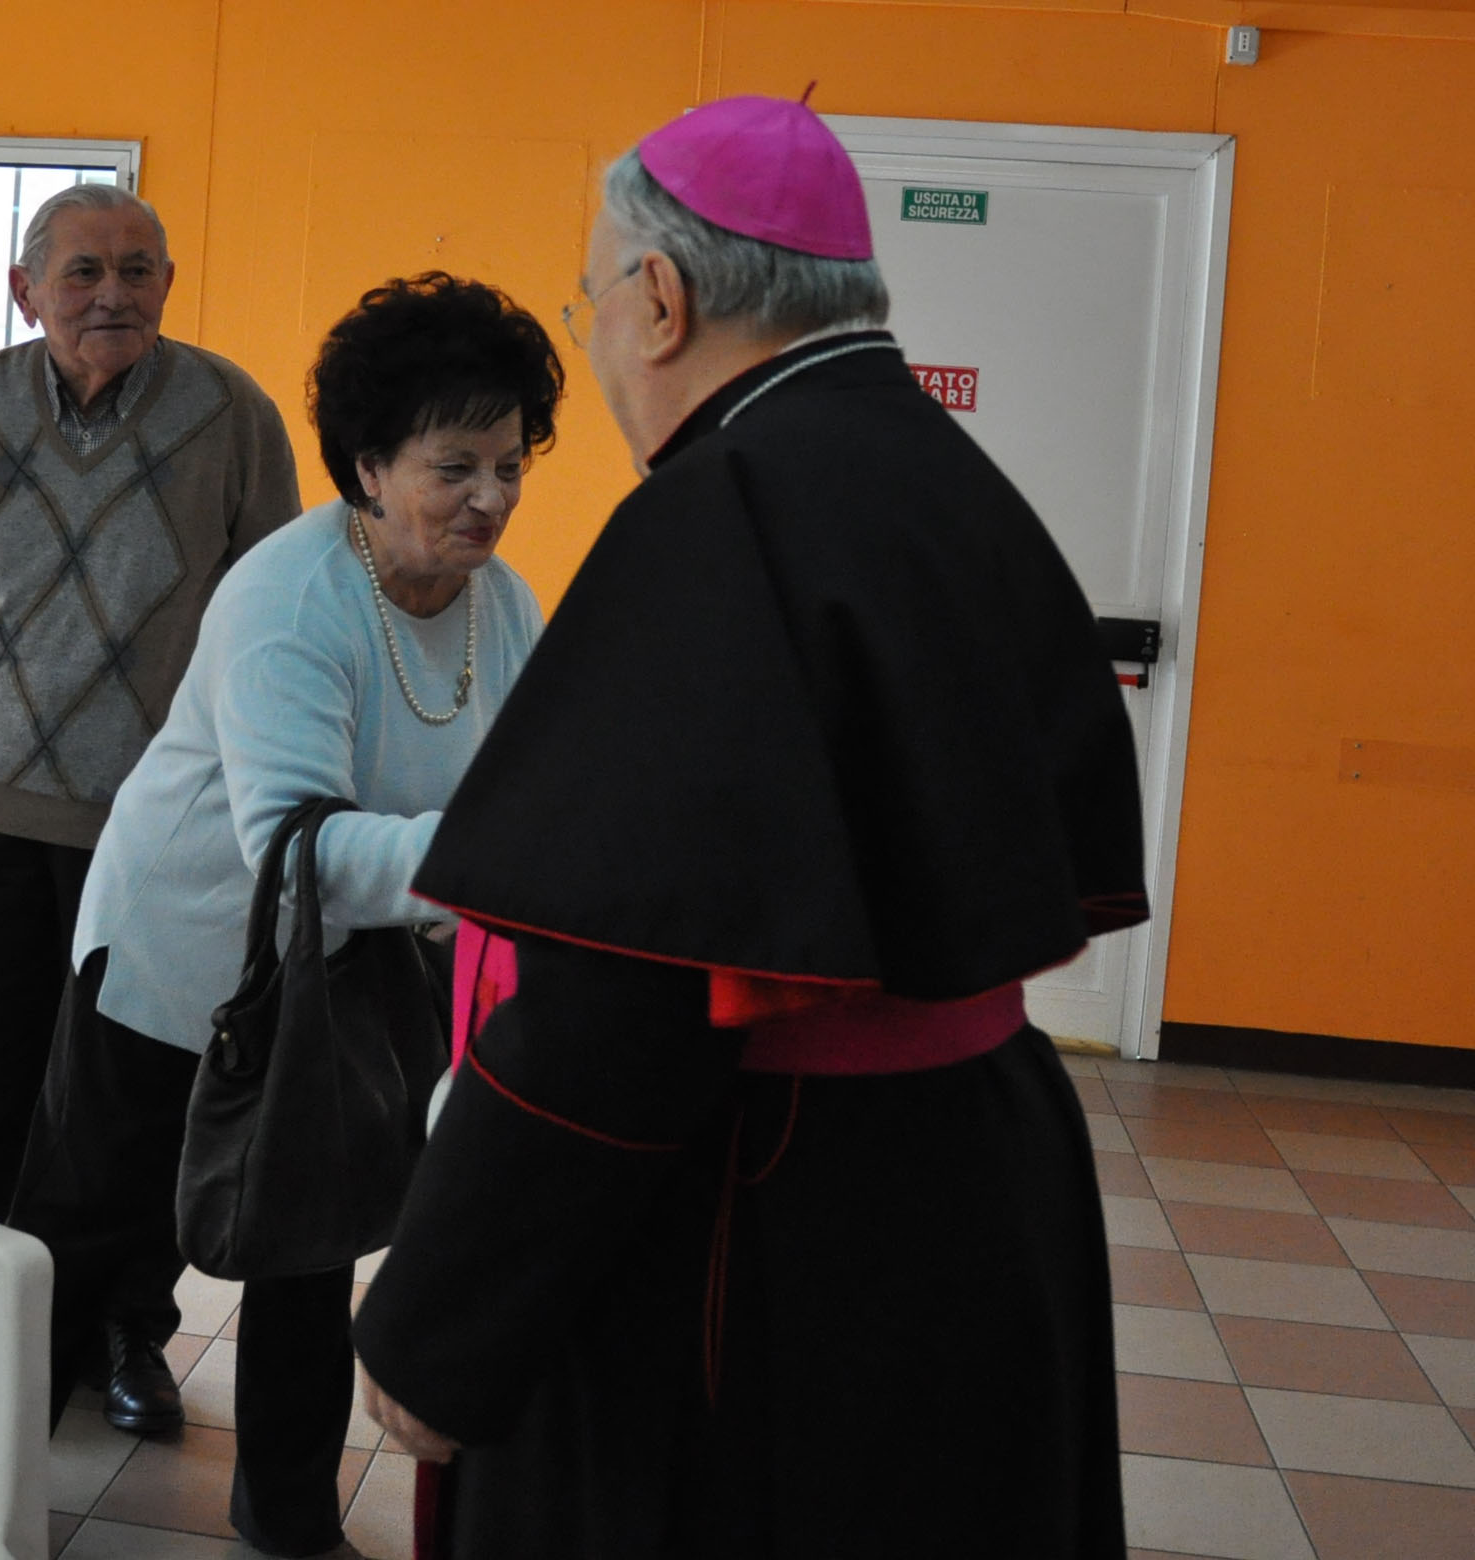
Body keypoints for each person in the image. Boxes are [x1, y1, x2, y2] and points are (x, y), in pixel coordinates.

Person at [352, 96, 1148, 1558]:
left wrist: (438, 1322)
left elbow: (614, 1007)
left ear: (660, 299)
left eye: (594, 298)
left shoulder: (718, 513)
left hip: (769, 1208)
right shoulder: (947, 475)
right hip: (978, 1169)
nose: (599, 337)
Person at [0, 272, 563, 1557]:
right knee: (76, 1237)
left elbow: (524, 788)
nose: (488, 498)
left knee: (308, 1246)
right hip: (179, 957)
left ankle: (289, 1522)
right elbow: (296, 854)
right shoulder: (290, 596)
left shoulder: (507, 607)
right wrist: (503, 861)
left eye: (508, 465)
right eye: (453, 468)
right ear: (369, 468)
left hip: (341, 974)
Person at [0, 181, 300, 1428]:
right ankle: (9, 1328)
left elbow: (272, 620)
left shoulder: (231, 414)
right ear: (27, 291)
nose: (113, 293)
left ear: (168, 281)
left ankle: (127, 1331)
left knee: (144, 1095)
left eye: (138, 268)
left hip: (167, 837)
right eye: (84, 271)